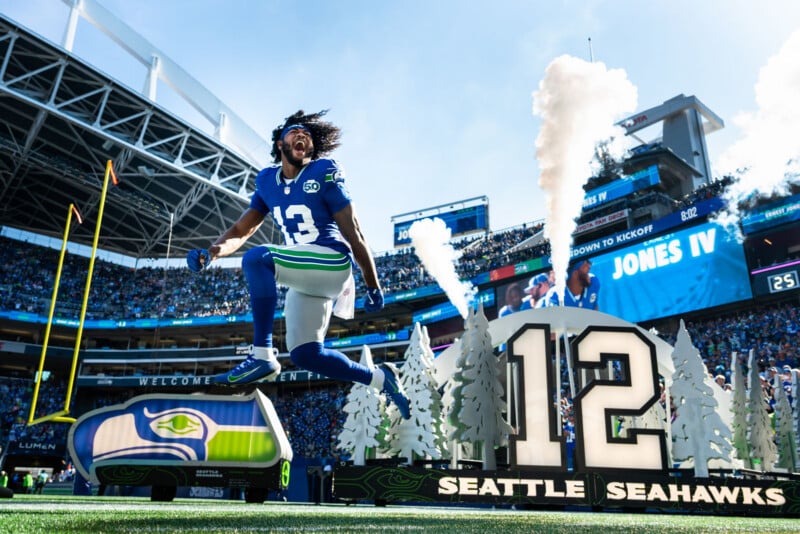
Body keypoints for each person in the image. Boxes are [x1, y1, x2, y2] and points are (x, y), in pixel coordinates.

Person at [186, 110, 410, 419]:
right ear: (280, 143)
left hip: (331, 262)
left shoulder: (324, 172)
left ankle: (262, 354)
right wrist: (212, 252)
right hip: (305, 276)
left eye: (307, 134)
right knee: (307, 355)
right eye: (294, 132)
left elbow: (354, 231)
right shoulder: (266, 180)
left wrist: (372, 284)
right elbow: (241, 230)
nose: (302, 136)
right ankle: (382, 378)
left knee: (258, 258)